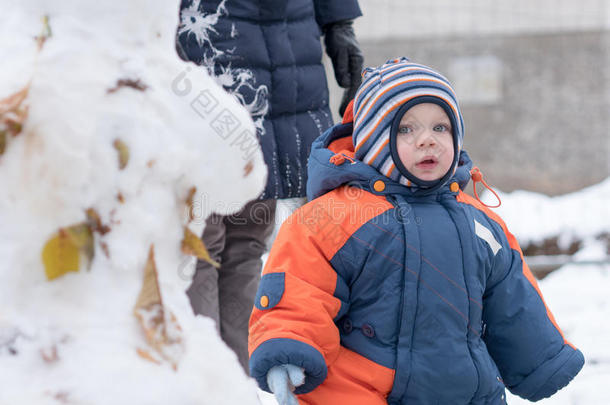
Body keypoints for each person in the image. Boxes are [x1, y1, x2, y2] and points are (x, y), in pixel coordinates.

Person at [248, 58, 585, 405]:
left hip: (465, 392)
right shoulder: (334, 216)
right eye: (406, 129)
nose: (428, 140)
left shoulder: (480, 223)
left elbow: (513, 301)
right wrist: (288, 347)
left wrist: (542, 362)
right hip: (359, 389)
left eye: (441, 128)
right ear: (375, 141)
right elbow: (299, 289)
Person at [175, 0, 363, 374]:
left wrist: (339, 22)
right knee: (211, 243)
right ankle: (217, 386)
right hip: (220, 45)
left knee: (224, 245)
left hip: (259, 43)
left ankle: (227, 387)